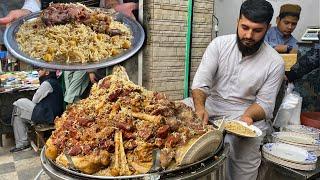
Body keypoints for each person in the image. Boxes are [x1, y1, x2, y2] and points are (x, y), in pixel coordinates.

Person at [183, 0, 284, 179]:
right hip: (210, 104)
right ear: (238, 21)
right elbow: (201, 84)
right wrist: (200, 108)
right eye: (244, 27)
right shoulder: (219, 45)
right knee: (174, 113)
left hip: (244, 114)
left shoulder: (275, 62)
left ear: (267, 28)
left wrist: (246, 118)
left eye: (257, 30)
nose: (249, 35)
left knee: (243, 156)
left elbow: (264, 104)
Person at [10, 68, 63, 152]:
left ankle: (23, 143)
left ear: (47, 72)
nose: (38, 72)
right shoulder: (53, 81)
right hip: (51, 113)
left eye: (41, 70)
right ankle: (22, 143)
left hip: (48, 115)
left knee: (19, 103)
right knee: (18, 111)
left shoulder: (47, 83)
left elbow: (35, 100)